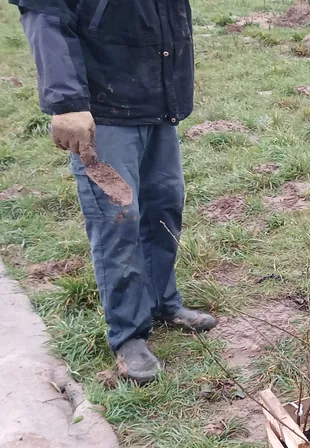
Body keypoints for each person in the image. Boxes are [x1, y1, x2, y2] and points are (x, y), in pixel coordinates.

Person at [12, 0, 216, 384]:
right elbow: (46, 14)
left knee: (163, 207)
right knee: (118, 221)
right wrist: (66, 101)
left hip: (156, 104)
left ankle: (162, 302)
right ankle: (129, 334)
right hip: (104, 112)